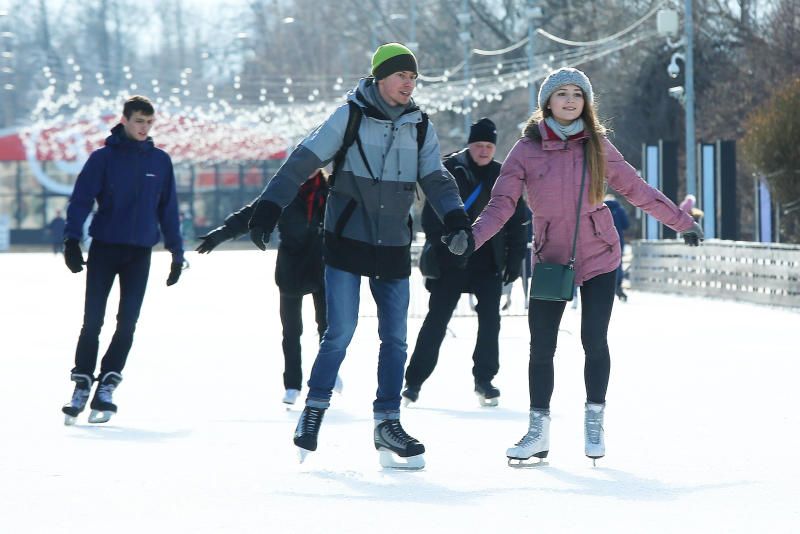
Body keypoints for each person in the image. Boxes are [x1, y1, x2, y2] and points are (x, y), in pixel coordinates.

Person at [245, 43, 471, 469]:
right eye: (402, 75)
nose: (409, 83)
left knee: (396, 339)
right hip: (347, 238)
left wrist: (457, 219)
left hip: (392, 243)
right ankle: (313, 411)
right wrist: (269, 206)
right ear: (381, 77)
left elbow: (436, 178)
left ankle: (388, 422)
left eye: (414, 78)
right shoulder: (349, 115)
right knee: (340, 331)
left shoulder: (419, 125)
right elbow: (302, 160)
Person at [470, 67, 704, 466]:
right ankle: (537, 432)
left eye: (577, 94)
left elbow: (637, 190)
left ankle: (594, 421)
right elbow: (502, 203)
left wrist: (682, 222)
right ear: (547, 102)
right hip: (549, 257)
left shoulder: (597, 146)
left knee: (594, 340)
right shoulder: (525, 150)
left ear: (586, 102)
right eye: (561, 94)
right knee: (541, 346)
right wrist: (471, 238)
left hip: (598, 254)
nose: (569, 100)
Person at [60, 95, 184, 426]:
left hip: (139, 252)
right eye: (139, 121)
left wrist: (176, 252)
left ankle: (108, 385)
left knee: (127, 322)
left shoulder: (160, 162)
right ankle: (82, 385)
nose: (144, 127)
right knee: (93, 321)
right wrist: (72, 239)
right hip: (104, 248)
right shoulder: (103, 158)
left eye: (149, 122)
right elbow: (81, 200)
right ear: (125, 120)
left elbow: (168, 210)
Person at [402, 118, 528, 408]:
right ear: (469, 144)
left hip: (488, 262)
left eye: (488, 146)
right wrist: (445, 244)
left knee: (490, 322)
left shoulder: (502, 175)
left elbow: (517, 220)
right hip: (451, 262)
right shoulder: (449, 170)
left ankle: (484, 379)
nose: (483, 150)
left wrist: (515, 258)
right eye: (478, 145)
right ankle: (414, 381)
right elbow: (431, 215)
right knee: (436, 320)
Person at [195, 170, 340, 405]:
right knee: (292, 331)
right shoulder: (284, 189)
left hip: (322, 265)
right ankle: (292, 384)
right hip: (291, 267)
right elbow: (254, 212)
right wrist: (220, 234)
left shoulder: (331, 188)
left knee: (328, 327)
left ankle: (327, 375)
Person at [603, 193, 630, 301]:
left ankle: (605, 286)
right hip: (618, 241)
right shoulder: (619, 209)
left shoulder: (601, 209)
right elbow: (626, 225)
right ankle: (617, 285)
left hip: (604, 241)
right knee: (618, 263)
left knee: (604, 263)